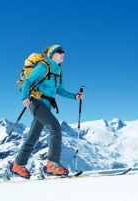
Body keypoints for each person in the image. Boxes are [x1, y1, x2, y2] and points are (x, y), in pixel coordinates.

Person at [10, 44, 84, 178]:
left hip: (47, 105)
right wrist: (24, 97)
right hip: (36, 102)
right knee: (55, 127)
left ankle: (17, 165)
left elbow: (59, 90)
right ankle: (52, 164)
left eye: (64, 51)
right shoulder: (44, 66)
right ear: (52, 54)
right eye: (60, 51)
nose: (63, 53)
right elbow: (28, 81)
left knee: (34, 135)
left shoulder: (59, 71)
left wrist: (75, 96)